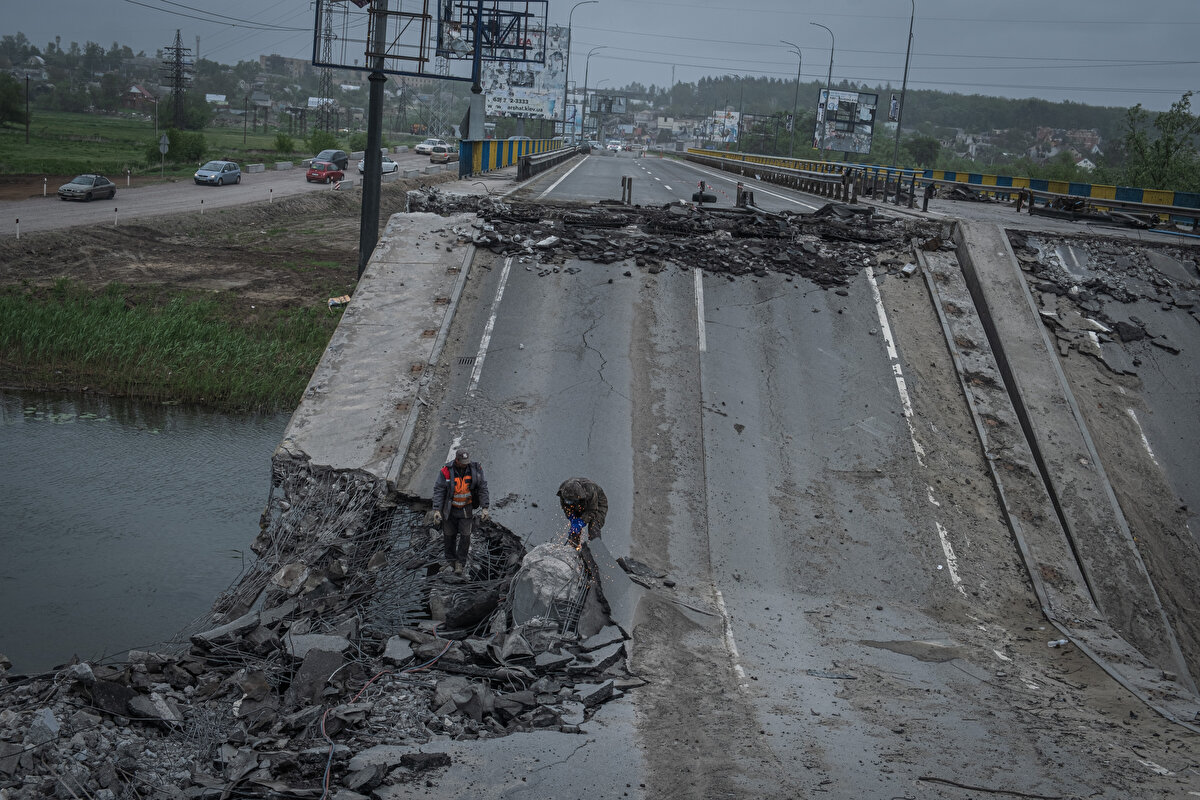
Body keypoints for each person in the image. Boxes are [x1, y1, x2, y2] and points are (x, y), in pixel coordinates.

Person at [431, 448, 490, 575]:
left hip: (465, 508)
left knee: (465, 535)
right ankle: (450, 560)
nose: (465, 464)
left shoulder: (475, 469)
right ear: (456, 460)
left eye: (467, 461)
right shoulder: (446, 471)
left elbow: (482, 487)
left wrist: (485, 507)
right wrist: (437, 510)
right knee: (449, 535)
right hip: (450, 509)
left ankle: (460, 563)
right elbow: (439, 490)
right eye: (463, 462)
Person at [556, 477, 607, 547]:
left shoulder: (590, 490)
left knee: (593, 525)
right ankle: (573, 547)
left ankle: (596, 548)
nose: (568, 502)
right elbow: (565, 507)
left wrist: (582, 521)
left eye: (570, 501)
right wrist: (572, 518)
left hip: (597, 503)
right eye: (567, 501)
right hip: (578, 503)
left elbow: (592, 510)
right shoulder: (563, 491)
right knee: (575, 527)